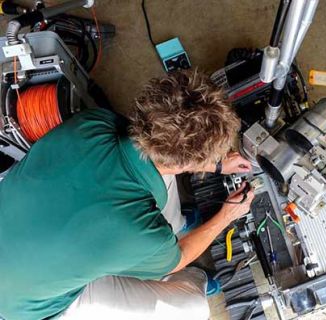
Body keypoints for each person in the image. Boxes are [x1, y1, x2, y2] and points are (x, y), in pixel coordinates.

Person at [0, 70, 255, 320]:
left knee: (157, 179)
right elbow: (178, 259)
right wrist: (227, 215)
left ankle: (174, 228)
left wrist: (215, 163)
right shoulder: (138, 230)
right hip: (30, 307)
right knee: (194, 309)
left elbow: (158, 154)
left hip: (25, 237)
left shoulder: (94, 123)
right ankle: (192, 281)